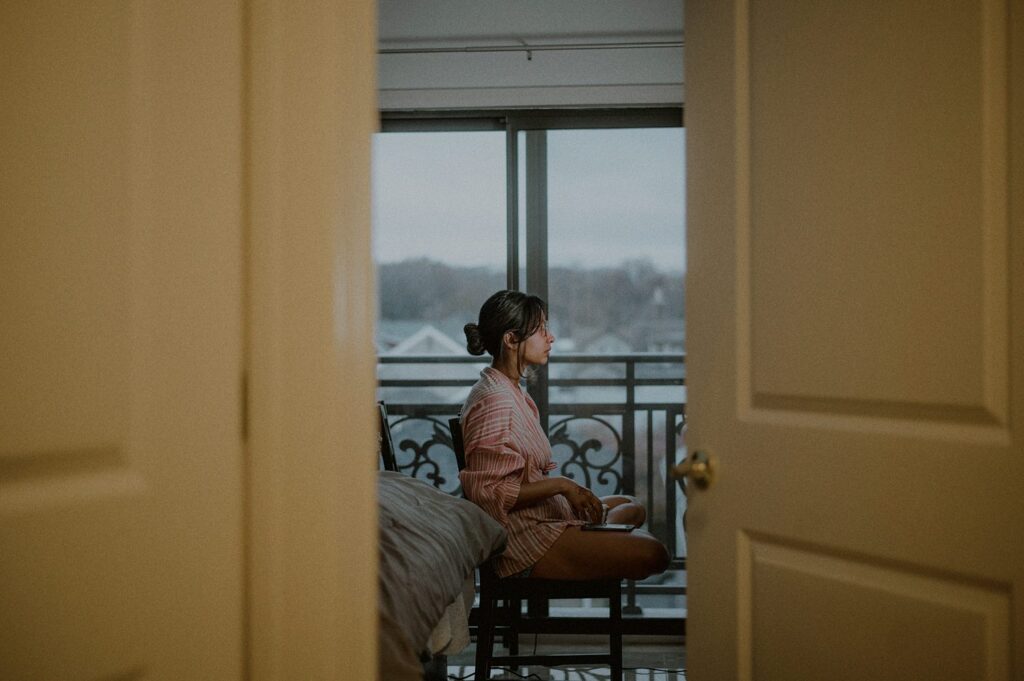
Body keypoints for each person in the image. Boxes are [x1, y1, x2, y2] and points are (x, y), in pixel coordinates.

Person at [459, 290, 670, 581]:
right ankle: (595, 545)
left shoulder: (511, 390)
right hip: (522, 539)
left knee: (632, 506)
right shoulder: (495, 401)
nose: (551, 337)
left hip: (544, 516)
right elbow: (489, 494)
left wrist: (565, 492)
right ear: (510, 340)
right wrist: (562, 485)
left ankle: (594, 541)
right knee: (654, 553)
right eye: (541, 329)